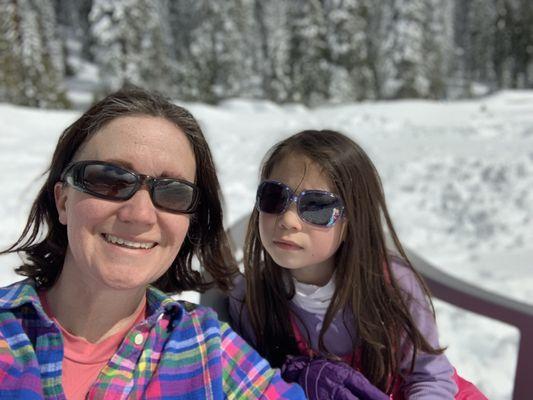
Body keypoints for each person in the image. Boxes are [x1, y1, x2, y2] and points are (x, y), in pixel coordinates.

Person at [0, 88, 305, 399]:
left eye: (173, 192)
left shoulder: (207, 350)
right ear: (63, 200)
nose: (140, 215)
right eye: (110, 179)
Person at [229, 129, 463, 399]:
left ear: (352, 219)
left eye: (316, 206)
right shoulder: (251, 299)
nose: (288, 220)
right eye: (274, 197)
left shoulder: (392, 286)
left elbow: (429, 376)